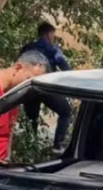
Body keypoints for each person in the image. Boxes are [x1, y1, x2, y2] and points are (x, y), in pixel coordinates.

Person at [20, 22, 73, 154]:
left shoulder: (27, 48)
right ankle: (57, 145)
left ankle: (29, 147)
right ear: (50, 34)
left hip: (29, 87)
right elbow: (66, 68)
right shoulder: (52, 49)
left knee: (31, 118)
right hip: (46, 87)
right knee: (66, 111)